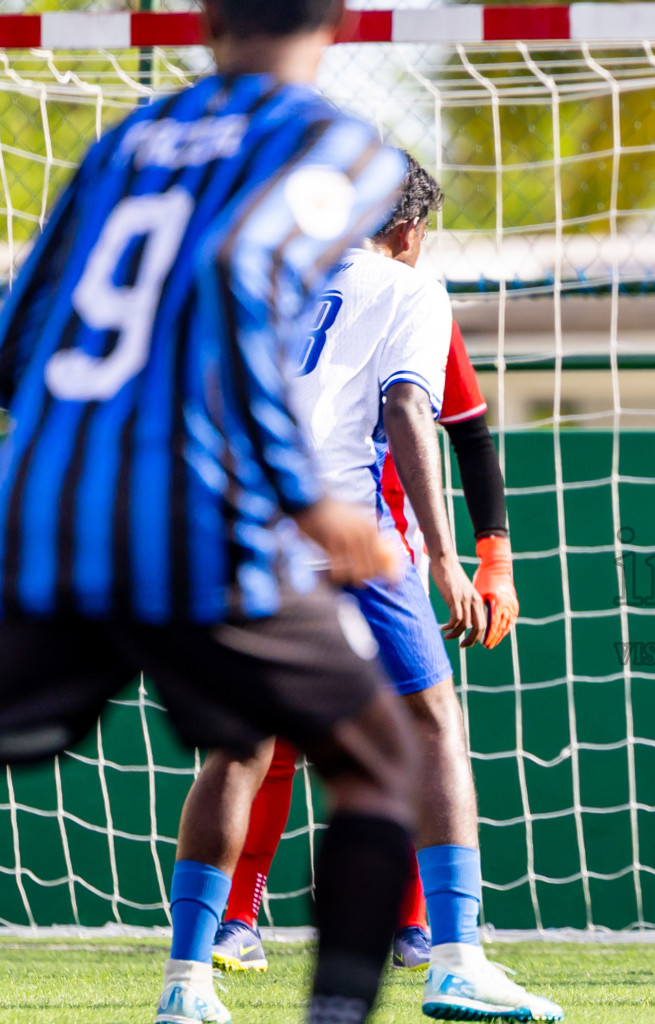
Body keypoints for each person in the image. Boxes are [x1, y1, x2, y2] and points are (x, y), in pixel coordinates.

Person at [0, 2, 422, 1023]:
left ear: (207, 21)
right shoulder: (334, 146)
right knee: (382, 761)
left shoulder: (124, 143)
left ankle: (196, 977)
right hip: (197, 521)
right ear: (338, 23)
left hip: (44, 508)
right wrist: (307, 500)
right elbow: (241, 273)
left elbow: (17, 331)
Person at [163, 155, 562, 1022]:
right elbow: (412, 408)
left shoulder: (255, 276)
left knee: (239, 749)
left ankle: (186, 984)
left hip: (239, 540)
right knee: (433, 727)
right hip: (354, 541)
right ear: (412, 229)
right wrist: (454, 559)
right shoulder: (406, 286)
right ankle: (456, 960)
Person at [211, 319, 517, 974]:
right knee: (269, 734)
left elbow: (466, 428)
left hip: (383, 553)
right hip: (293, 538)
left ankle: (413, 924)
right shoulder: (280, 287)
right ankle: (234, 921)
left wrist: (494, 557)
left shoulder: (415, 307)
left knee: (408, 729)